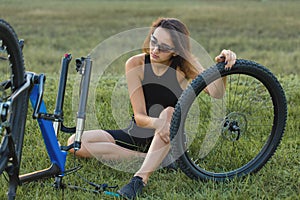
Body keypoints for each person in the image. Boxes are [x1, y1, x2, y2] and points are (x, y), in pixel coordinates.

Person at [67, 17, 236, 199]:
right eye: (154, 41)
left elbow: (216, 92)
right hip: (138, 131)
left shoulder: (185, 66)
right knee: (75, 143)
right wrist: (158, 124)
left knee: (169, 113)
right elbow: (139, 117)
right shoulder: (135, 64)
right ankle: (159, 161)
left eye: (164, 47)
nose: (155, 50)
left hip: (171, 137)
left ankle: (139, 179)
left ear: (176, 51)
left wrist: (221, 67)